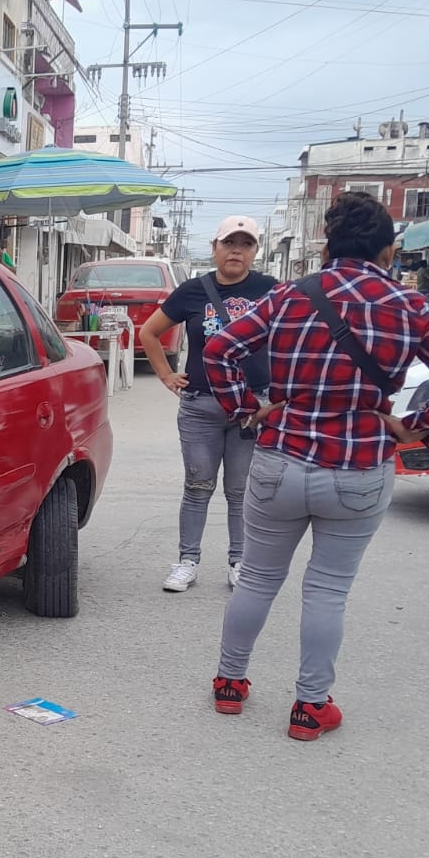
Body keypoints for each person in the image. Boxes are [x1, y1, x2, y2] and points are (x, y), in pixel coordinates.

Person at [205, 191, 429, 740]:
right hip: (359, 464)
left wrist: (247, 410)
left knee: (258, 578)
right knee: (328, 590)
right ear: (387, 249)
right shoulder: (409, 304)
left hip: (281, 456)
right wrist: (420, 427)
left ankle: (229, 685)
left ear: (328, 244)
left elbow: (219, 352)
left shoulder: (288, 296)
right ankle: (310, 708)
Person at [138, 216, 278, 593]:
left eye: (245, 244)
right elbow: (149, 333)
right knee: (198, 486)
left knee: (240, 490)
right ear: (214, 248)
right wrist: (167, 375)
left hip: (252, 408)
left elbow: (293, 339)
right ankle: (187, 561)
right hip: (201, 403)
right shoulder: (192, 291)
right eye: (229, 242)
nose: (236, 250)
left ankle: (240, 563)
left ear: (255, 251)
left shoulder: (271, 290)